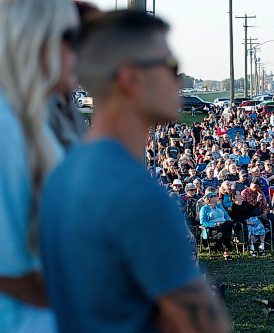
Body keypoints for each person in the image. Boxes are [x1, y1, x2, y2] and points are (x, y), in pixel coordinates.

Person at [39, 11, 229, 333]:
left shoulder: (64, 172)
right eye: (169, 67)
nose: (179, 82)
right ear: (131, 78)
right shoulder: (135, 192)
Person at [0, 0, 79, 331]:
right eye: (73, 38)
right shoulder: (6, 126)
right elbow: (9, 271)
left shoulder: (33, 123)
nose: (82, 52)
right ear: (39, 39)